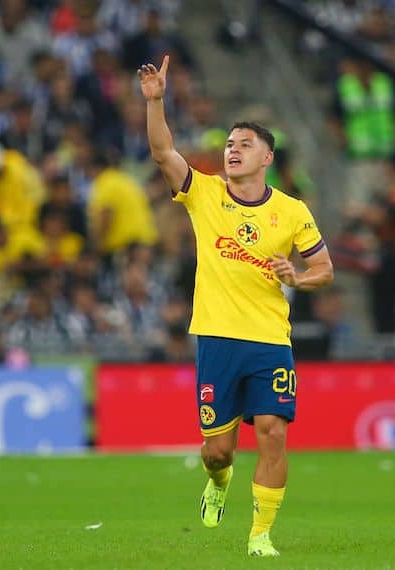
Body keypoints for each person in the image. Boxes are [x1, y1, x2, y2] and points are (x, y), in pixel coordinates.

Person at [139, 55, 334, 557]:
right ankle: (218, 481)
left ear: (267, 158)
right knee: (217, 450)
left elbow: (325, 270)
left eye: (244, 145)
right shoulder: (204, 194)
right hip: (218, 337)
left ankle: (260, 535)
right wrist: (156, 101)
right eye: (229, 144)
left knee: (272, 434)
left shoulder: (292, 211)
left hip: (270, 339)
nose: (233, 150)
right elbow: (163, 152)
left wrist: (300, 276)